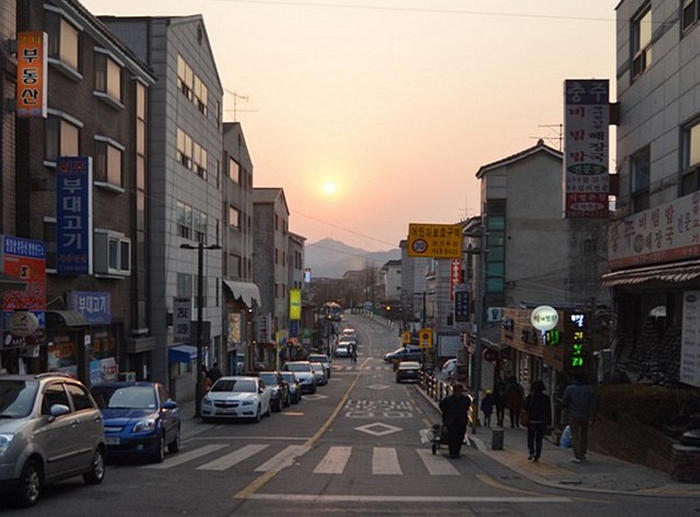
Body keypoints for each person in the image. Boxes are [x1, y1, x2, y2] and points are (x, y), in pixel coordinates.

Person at [561, 371, 598, 463]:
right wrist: (593, 417)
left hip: (573, 415)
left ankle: (577, 455)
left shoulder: (569, 389)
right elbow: (593, 405)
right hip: (585, 415)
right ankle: (583, 453)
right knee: (584, 434)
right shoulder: (590, 389)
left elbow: (564, 402)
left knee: (575, 435)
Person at [438, 383, 472, 458]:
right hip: (451, 422)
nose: (459, 392)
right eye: (457, 391)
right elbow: (441, 406)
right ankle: (452, 452)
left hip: (461, 421)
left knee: (460, 437)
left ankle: (457, 452)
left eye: (460, 391)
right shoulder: (448, 400)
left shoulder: (465, 399)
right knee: (452, 437)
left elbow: (467, 406)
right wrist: (447, 414)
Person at [523, 380, 552, 462]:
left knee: (530, 437)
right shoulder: (546, 398)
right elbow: (548, 410)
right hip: (542, 421)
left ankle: (531, 452)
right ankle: (537, 455)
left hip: (532, 420)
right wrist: (549, 422)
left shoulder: (530, 397)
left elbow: (525, 407)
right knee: (539, 439)